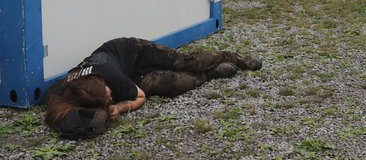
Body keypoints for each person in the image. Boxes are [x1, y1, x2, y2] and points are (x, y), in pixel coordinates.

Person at [44, 37, 262, 139]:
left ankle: (233, 57)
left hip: (133, 51)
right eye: (106, 97)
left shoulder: (111, 78)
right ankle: (211, 74)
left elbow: (139, 97)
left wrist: (119, 107)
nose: (109, 95)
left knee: (186, 62)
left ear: (102, 83)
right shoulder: (60, 91)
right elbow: (64, 115)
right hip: (130, 74)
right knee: (172, 84)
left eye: (107, 92)